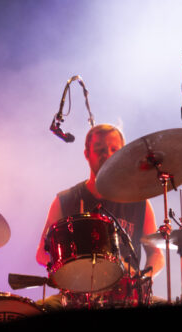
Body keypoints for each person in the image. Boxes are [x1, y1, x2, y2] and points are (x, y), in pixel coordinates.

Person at [35, 124, 164, 305]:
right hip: (76, 296)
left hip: (127, 295)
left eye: (114, 149)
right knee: (40, 308)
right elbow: (42, 253)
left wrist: (143, 278)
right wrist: (68, 272)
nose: (107, 154)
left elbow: (156, 254)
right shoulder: (65, 200)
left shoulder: (139, 202)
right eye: (100, 149)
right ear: (87, 154)